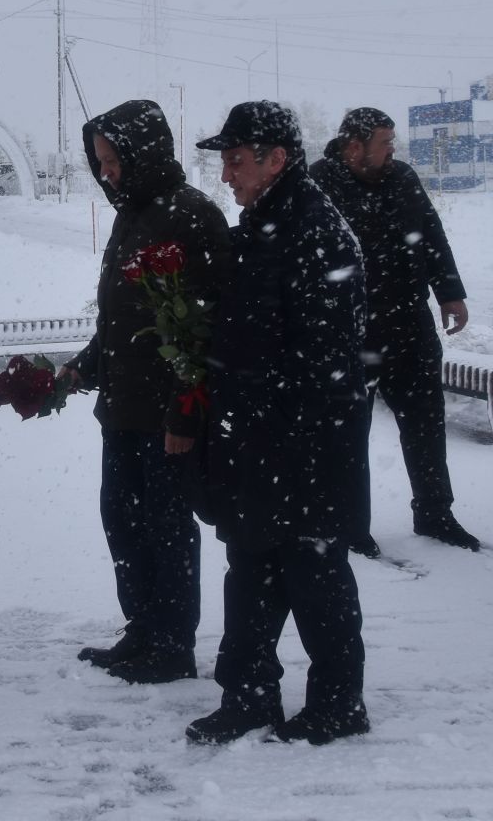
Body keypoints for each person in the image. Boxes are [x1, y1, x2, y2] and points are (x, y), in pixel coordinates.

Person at [186, 101, 372, 746]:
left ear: (277, 160)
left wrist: (260, 405)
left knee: (314, 575)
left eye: (236, 161)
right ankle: (248, 696)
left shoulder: (315, 233)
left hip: (307, 445)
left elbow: (321, 358)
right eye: (225, 162)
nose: (227, 175)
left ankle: (339, 703)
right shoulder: (263, 227)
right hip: (260, 439)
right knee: (251, 571)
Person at [59, 100, 230, 684]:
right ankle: (144, 628)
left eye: (112, 160)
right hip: (124, 409)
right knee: (123, 521)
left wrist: (186, 410)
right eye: (100, 161)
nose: (105, 171)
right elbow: (126, 318)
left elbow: (207, 328)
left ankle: (172, 644)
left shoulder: (193, 216)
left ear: (143, 155)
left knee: (166, 526)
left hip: (166, 414)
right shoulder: (132, 213)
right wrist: (85, 366)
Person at [311, 108, 481, 553]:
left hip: (410, 325)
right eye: (385, 143)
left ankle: (435, 513)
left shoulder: (403, 178)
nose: (392, 151)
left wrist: (449, 292)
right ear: (354, 147)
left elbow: (431, 234)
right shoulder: (320, 184)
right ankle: (351, 526)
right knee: (350, 433)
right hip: (352, 332)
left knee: (426, 423)